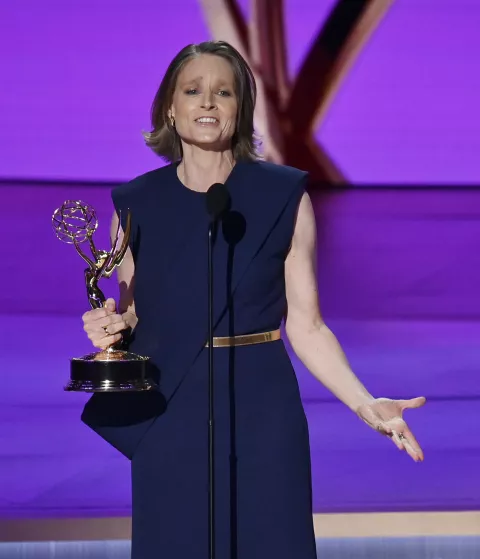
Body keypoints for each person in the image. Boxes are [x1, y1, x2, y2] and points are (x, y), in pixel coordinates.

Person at [80, 40, 426, 559]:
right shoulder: (135, 204)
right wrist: (107, 329)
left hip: (263, 406)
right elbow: (130, 313)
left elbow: (307, 326)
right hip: (170, 407)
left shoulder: (282, 197)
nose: (207, 103)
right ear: (170, 109)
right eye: (193, 91)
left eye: (224, 92)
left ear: (241, 109)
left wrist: (366, 404)